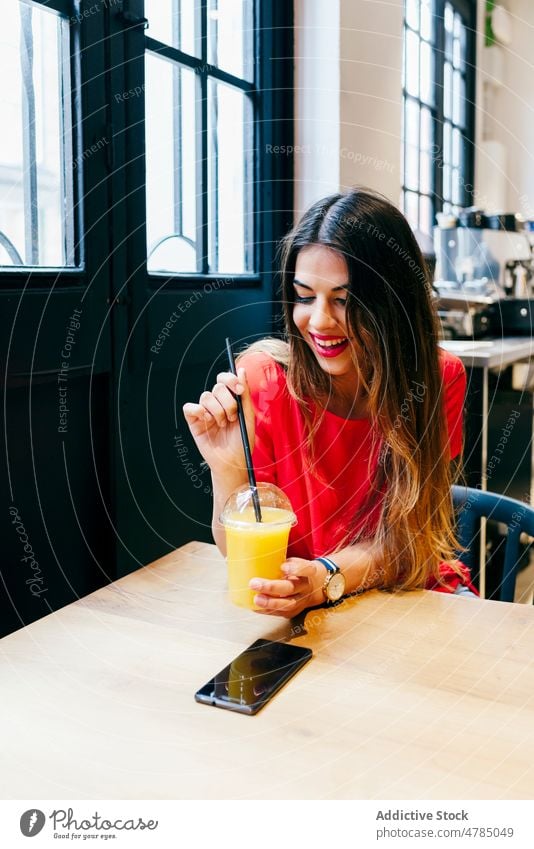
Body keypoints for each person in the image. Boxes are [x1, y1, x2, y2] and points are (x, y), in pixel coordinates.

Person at [183, 188, 477, 618]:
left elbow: (409, 542)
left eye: (344, 300)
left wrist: (326, 577)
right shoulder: (263, 380)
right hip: (306, 608)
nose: (319, 321)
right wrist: (226, 471)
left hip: (410, 592)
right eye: (304, 296)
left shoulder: (436, 377)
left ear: (393, 303)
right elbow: (241, 561)